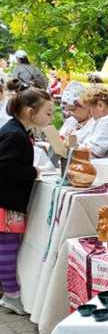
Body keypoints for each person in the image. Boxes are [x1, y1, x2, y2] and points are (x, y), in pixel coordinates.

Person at [0, 79, 53, 315]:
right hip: (6, 204)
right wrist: (32, 172)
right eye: (48, 112)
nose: (51, 117)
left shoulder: (16, 130)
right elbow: (4, 168)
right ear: (31, 112)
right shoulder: (15, 135)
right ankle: (11, 294)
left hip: (9, 202)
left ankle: (9, 292)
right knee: (7, 248)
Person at [58, 82, 94, 146]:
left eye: (73, 110)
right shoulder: (71, 120)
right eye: (68, 110)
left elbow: (86, 149)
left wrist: (68, 142)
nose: (71, 114)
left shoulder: (94, 124)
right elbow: (60, 137)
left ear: (85, 106)